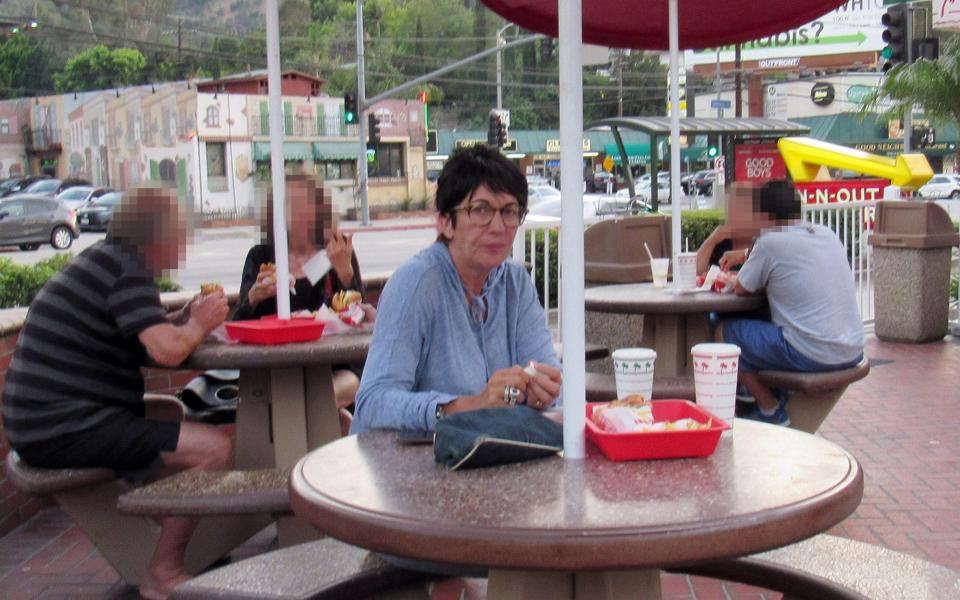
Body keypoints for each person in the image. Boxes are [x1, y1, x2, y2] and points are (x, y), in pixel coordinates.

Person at [1, 186, 232, 599]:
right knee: (213, 450)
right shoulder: (127, 269)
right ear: (157, 236)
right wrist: (200, 324)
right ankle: (163, 570)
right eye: (181, 234)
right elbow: (166, 350)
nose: (185, 245)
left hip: (41, 421)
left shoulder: (107, 262)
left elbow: (143, 334)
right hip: (62, 426)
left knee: (167, 414)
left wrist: (184, 316)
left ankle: (180, 534)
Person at [351, 145, 562, 433]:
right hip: (407, 467)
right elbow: (373, 403)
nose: (499, 227)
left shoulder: (516, 283)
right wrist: (465, 407)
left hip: (492, 460)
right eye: (481, 210)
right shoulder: (415, 285)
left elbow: (552, 379)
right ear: (446, 223)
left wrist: (544, 393)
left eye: (510, 211)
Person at [716, 180, 865, 426]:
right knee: (770, 327)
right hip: (852, 348)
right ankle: (761, 389)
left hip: (814, 352)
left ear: (764, 215)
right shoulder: (826, 234)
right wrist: (746, 255)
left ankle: (770, 408)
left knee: (726, 332)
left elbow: (741, 287)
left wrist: (746, 260)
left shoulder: (770, 242)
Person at [232, 175, 374, 413]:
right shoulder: (261, 257)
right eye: (291, 204)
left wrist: (346, 274)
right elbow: (238, 323)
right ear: (276, 210)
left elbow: (360, 315)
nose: (299, 212)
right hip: (276, 369)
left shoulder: (336, 250)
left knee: (326, 394)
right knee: (294, 400)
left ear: (320, 209)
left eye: (306, 203)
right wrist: (253, 298)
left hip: (333, 364)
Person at [695, 182, 760, 276]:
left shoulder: (763, 243)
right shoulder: (722, 241)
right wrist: (713, 239)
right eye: (731, 209)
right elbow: (696, 271)